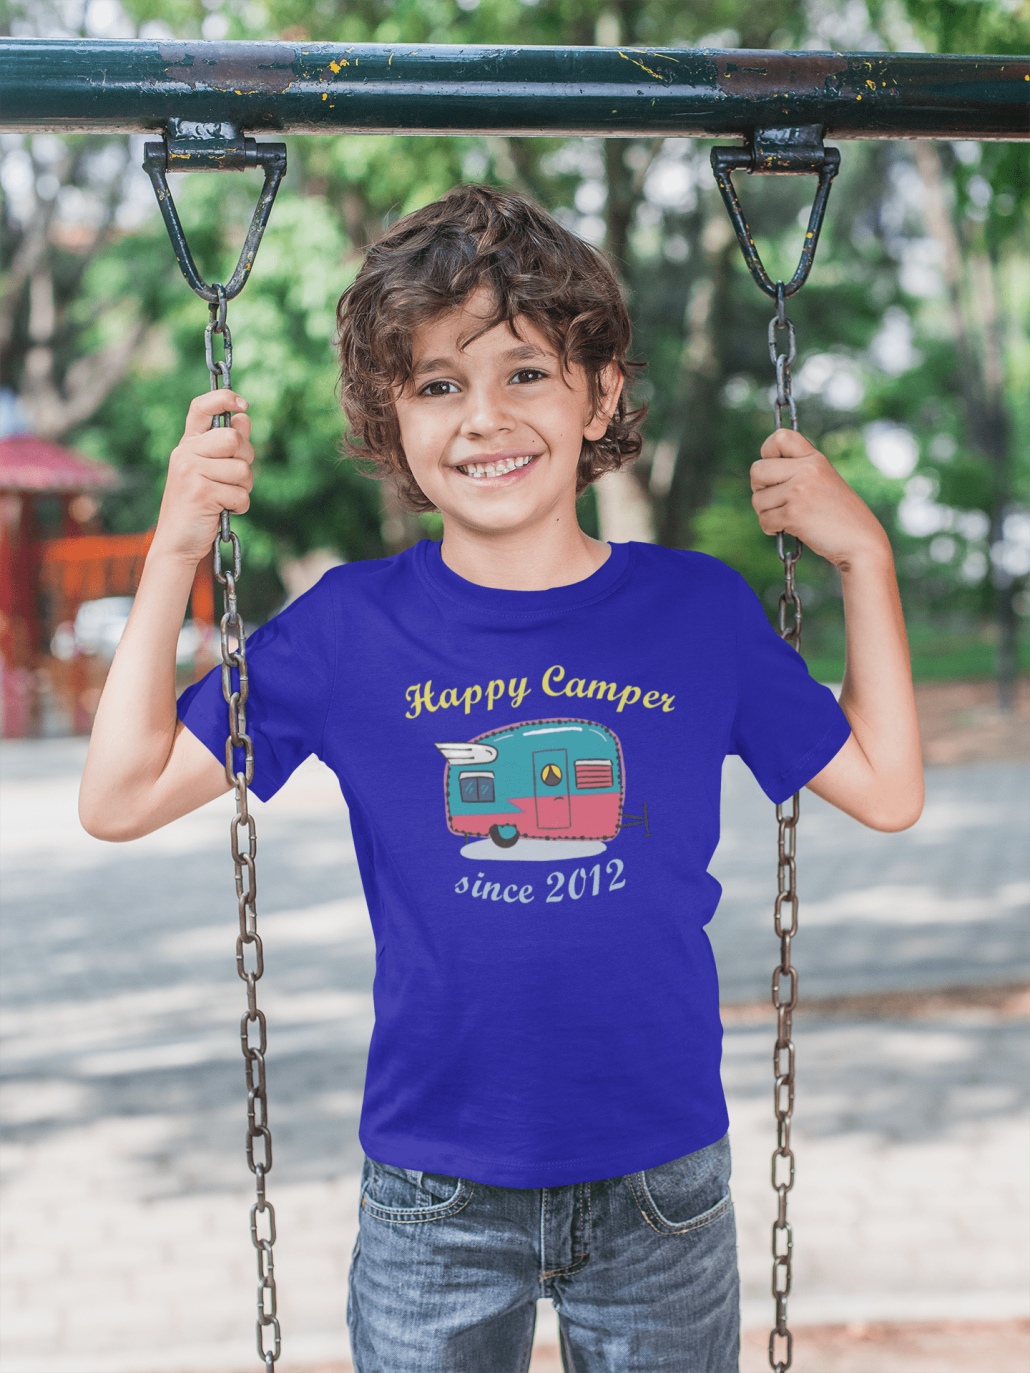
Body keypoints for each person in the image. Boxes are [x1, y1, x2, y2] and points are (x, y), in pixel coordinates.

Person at [79, 184, 924, 1373]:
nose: (483, 417)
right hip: (437, 1189)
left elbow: (887, 785)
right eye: (438, 382)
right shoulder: (350, 627)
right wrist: (175, 546)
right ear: (395, 416)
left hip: (660, 1183)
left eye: (524, 372)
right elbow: (117, 797)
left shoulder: (693, 611)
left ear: (604, 391)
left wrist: (863, 556)